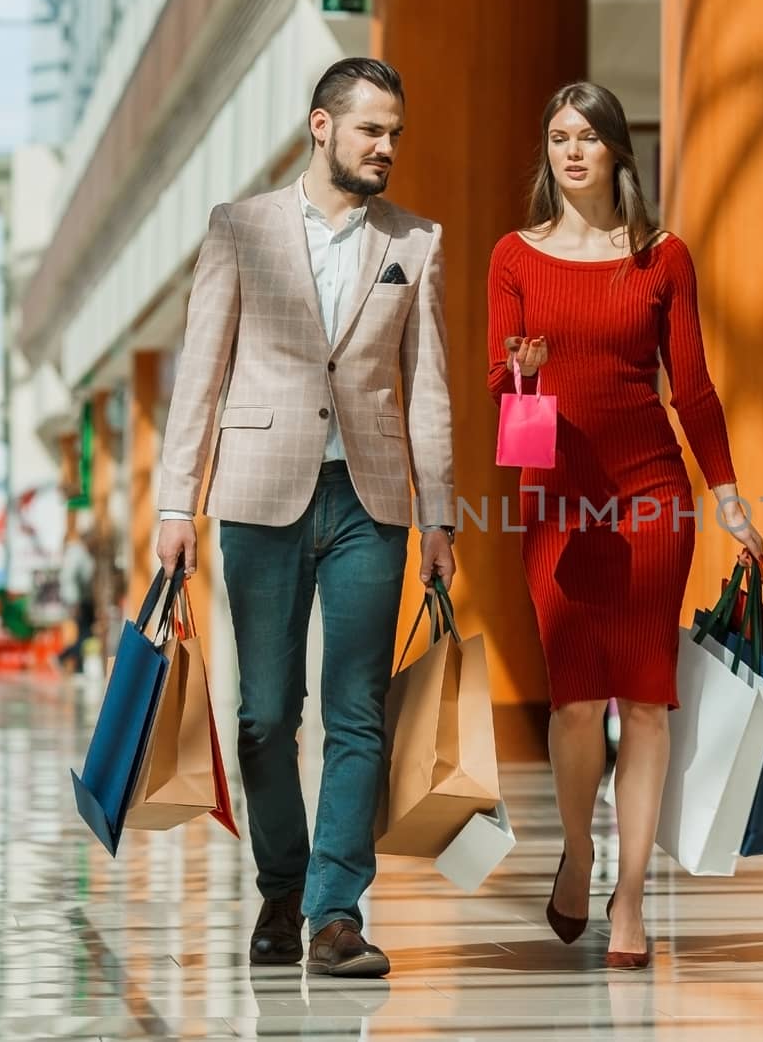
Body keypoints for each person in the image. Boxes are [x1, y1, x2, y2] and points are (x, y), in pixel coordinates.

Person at [156, 57, 457, 978]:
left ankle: (335, 913)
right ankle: (280, 887)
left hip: (373, 503)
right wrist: (177, 502)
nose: (387, 147)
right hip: (258, 495)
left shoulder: (417, 241)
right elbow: (199, 374)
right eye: (372, 129)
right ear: (322, 126)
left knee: (357, 711)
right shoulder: (239, 229)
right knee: (264, 715)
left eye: (396, 132)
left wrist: (439, 515)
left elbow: (430, 389)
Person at [486, 81, 763, 971]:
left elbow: (694, 389)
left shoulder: (663, 257)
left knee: (645, 702)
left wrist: (726, 495)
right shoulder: (513, 257)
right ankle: (579, 853)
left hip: (651, 495)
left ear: (617, 153)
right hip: (556, 497)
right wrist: (523, 375)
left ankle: (633, 897)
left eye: (589, 137)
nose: (573, 151)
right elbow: (501, 395)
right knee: (574, 705)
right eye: (559, 136)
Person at [56, 513, 96, 675]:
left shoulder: (85, 553)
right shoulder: (77, 553)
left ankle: (77, 665)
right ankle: (63, 657)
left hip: (84, 599)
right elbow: (69, 578)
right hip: (78, 601)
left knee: (85, 633)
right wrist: (73, 602)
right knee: (85, 633)